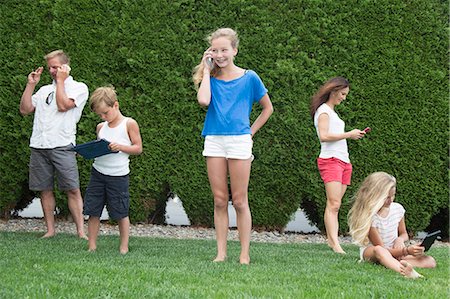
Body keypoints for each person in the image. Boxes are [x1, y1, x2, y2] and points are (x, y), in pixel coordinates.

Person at [193, 28, 273, 265]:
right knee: (219, 199)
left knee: (239, 200)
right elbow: (203, 100)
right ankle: (221, 253)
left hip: (239, 141)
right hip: (214, 140)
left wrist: (251, 132)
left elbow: (268, 108)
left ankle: (244, 254)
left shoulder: (250, 77)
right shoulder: (211, 78)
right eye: (215, 50)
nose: (220, 55)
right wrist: (206, 71)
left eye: (224, 50)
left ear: (234, 51)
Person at [19, 50, 88, 239]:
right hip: (39, 145)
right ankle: (50, 230)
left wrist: (60, 82)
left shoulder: (79, 87)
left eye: (56, 67)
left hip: (63, 145)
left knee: (72, 189)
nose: (52, 70)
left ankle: (81, 232)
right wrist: (30, 85)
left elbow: (63, 105)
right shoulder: (43, 91)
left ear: (66, 67)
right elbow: (25, 109)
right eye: (50, 67)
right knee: (45, 189)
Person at [83, 86, 142, 254]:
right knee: (93, 210)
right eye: (99, 115)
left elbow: (138, 148)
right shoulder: (101, 127)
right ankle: (92, 245)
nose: (103, 117)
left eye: (105, 113)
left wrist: (121, 147)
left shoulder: (129, 124)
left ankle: (123, 246)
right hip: (98, 173)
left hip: (118, 176)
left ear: (116, 105)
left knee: (120, 211)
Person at [310, 76, 366, 254]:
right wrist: (349, 134)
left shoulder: (332, 112)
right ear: (333, 91)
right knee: (333, 203)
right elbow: (324, 136)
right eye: (342, 94)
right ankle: (334, 243)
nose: (344, 97)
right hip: (331, 160)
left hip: (343, 162)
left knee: (336, 204)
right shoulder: (324, 111)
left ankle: (332, 241)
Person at [348, 172, 436, 278]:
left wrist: (399, 240)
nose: (391, 200)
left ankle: (390, 262)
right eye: (386, 197)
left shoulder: (397, 209)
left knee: (430, 261)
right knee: (380, 251)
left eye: (393, 195)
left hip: (395, 252)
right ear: (375, 195)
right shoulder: (371, 217)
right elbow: (381, 247)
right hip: (374, 252)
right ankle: (404, 271)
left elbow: (404, 234)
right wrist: (406, 251)